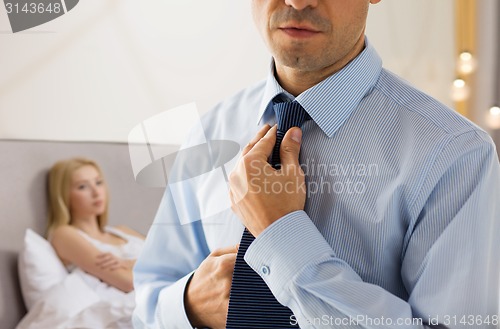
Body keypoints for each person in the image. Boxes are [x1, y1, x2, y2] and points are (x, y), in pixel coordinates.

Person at [133, 1, 500, 328]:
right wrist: (188, 306)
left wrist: (280, 232)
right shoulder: (210, 131)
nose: (297, 1)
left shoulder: (456, 154)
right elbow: (148, 301)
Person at [47, 157, 145, 293]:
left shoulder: (122, 230)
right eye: (83, 186)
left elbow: (178, 258)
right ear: (64, 196)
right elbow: (129, 282)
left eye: (99, 183)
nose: (96, 192)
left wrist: (128, 263)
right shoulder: (64, 235)